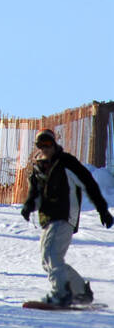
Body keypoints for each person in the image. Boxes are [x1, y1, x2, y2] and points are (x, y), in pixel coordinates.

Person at [20, 129, 113, 306]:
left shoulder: (65, 162)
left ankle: (61, 294)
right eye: (41, 145)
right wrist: (28, 206)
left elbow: (88, 183)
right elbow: (35, 192)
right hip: (48, 218)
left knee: (52, 256)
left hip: (64, 215)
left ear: (54, 144)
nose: (45, 149)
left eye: (48, 144)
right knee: (48, 261)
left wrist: (103, 210)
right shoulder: (40, 168)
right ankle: (80, 292)